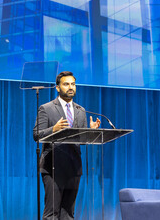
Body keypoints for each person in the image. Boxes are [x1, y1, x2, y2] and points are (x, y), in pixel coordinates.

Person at [33, 71, 101, 220]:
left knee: (68, 214)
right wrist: (54, 129)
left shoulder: (80, 110)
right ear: (57, 88)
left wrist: (90, 131)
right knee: (52, 213)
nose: (70, 87)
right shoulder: (47, 108)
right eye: (66, 84)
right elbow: (36, 135)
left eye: (73, 84)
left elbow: (80, 140)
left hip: (74, 167)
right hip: (53, 167)